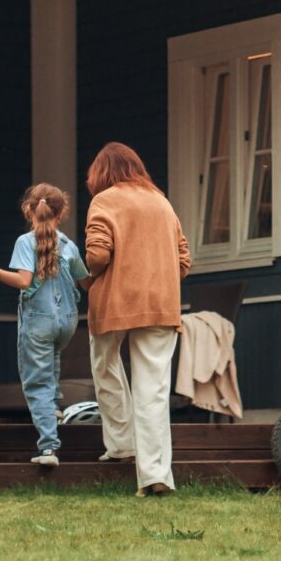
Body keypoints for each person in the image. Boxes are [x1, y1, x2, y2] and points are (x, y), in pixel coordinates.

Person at [81, 142, 191, 496]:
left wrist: (81, 274)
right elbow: (184, 261)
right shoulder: (162, 201)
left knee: (106, 365)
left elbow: (97, 255)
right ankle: (156, 475)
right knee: (153, 389)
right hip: (161, 304)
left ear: (102, 172)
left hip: (114, 302)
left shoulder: (105, 200)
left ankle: (120, 445)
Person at [0, 183, 87, 467]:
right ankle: (52, 406)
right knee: (52, 359)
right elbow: (85, 279)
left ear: (28, 210)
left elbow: (23, 282)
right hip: (67, 323)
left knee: (36, 383)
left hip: (39, 323)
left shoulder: (25, 242)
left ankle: (48, 448)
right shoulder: (68, 245)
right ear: (62, 212)